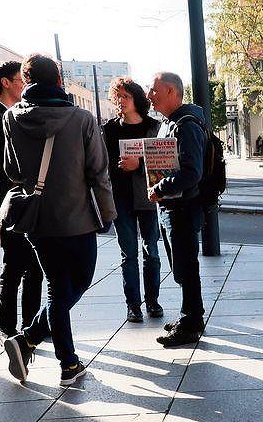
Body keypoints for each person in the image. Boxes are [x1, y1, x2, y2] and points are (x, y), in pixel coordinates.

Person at [2, 54, 116, 385]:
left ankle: (30, 341)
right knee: (75, 284)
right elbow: (99, 171)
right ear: (58, 79)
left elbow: (12, 171)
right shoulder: (81, 118)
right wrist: (107, 213)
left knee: (57, 288)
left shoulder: (11, 119)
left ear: (26, 81)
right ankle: (62, 361)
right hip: (77, 219)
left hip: (37, 219)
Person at [0, 61, 43, 345]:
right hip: (8, 207)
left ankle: (30, 326)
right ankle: (8, 327)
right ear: (4, 82)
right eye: (19, 80)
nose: (23, 85)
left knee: (34, 267)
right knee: (14, 266)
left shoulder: (16, 115)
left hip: (23, 202)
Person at [147, 72, 207, 347]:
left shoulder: (186, 125)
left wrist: (159, 189)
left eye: (154, 90)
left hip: (182, 207)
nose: (150, 96)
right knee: (182, 266)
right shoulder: (171, 123)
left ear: (171, 91)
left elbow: (191, 172)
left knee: (186, 266)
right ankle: (190, 316)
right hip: (173, 206)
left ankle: (191, 321)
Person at [102, 77, 163, 323]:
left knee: (152, 252)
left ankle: (153, 301)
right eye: (117, 96)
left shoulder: (155, 127)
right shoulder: (109, 129)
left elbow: (165, 165)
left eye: (125, 96)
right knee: (129, 254)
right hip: (121, 198)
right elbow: (102, 165)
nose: (120, 101)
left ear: (136, 98)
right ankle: (133, 305)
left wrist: (138, 166)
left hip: (149, 197)